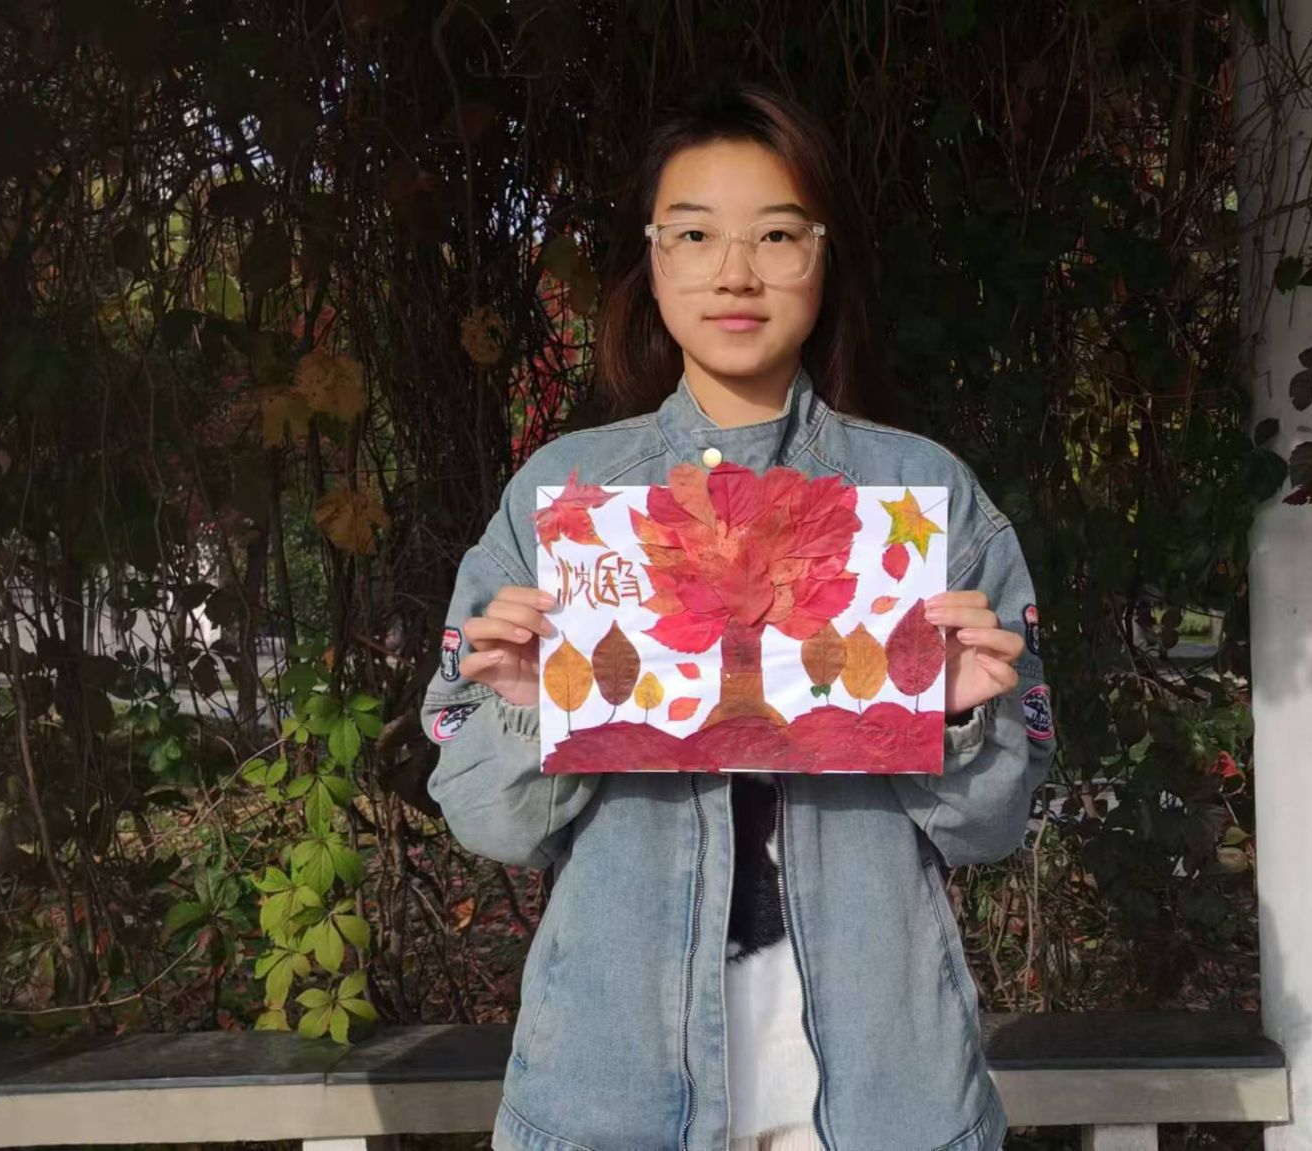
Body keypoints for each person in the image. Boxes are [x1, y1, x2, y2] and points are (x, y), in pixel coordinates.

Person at [421, 82, 1054, 1151]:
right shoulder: (565, 503)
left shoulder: (924, 500)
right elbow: (486, 822)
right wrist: (534, 710)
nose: (734, 272)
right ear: (652, 260)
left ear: (823, 255)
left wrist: (953, 715)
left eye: (775, 234)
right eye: (694, 234)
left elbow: (995, 825)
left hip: (886, 1104)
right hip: (610, 1102)